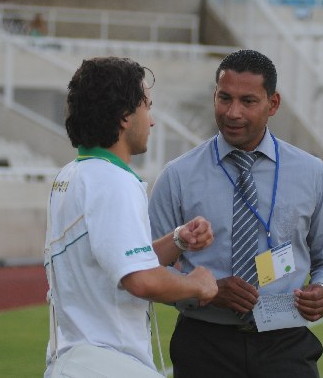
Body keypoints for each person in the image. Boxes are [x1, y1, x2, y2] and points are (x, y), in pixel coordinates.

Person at [148, 49, 323, 378]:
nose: (233, 112)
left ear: (273, 104)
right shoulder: (177, 176)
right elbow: (148, 268)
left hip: (286, 344)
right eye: (224, 98)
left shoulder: (311, 173)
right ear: (214, 95)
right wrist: (206, 292)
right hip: (203, 345)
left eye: (248, 101)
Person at [43, 57, 218, 378]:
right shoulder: (114, 181)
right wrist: (196, 284)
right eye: (147, 107)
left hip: (74, 360)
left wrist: (178, 240)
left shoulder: (71, 175)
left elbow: (115, 259)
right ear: (125, 116)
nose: (151, 121)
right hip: (106, 363)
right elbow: (141, 280)